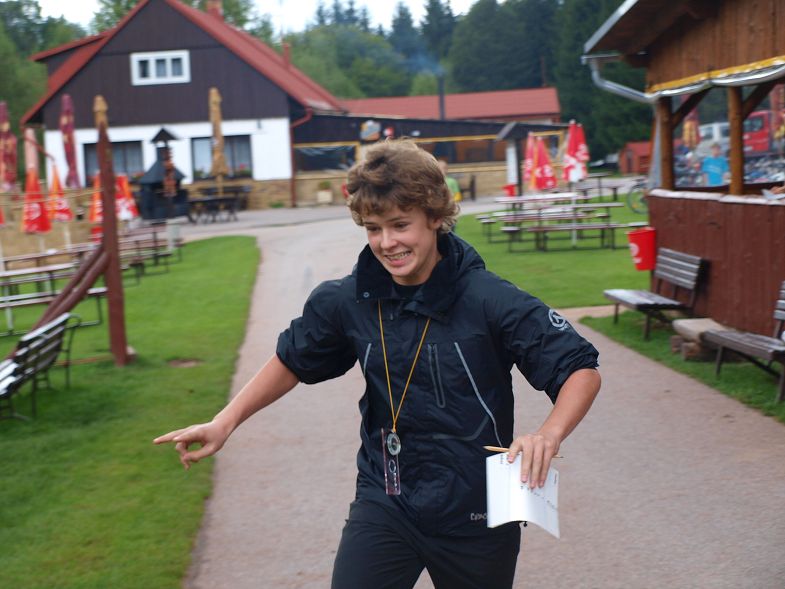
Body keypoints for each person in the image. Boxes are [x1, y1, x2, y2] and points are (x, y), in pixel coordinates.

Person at [154, 139, 601, 589]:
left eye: (400, 225)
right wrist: (224, 422)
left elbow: (579, 367)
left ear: (435, 217)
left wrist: (548, 434)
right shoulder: (348, 300)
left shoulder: (490, 299)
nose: (387, 243)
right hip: (387, 502)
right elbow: (293, 359)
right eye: (373, 228)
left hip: (477, 512)